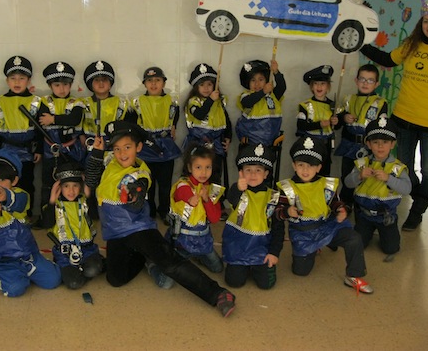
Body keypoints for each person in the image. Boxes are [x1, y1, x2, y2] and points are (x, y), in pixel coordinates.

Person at [84, 120, 237, 317]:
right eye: (117, 148)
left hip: (138, 229)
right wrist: (97, 153)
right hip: (115, 232)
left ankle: (218, 294)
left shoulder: (141, 173)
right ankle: (144, 256)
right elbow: (92, 180)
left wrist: (135, 195)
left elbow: (138, 195)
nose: (122, 153)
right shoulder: (110, 162)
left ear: (138, 147)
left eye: (128, 147)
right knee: (115, 280)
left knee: (170, 262)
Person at [360, 0, 428, 231]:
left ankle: (418, 210)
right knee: (404, 165)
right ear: (421, 23)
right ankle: (419, 196)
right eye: (426, 21)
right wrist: (360, 43)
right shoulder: (411, 44)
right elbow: (387, 59)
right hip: (404, 117)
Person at [275, 136, 373, 294]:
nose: (305, 170)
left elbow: (335, 202)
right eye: (301, 165)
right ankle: (314, 249)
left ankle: (354, 275)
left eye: (311, 166)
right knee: (301, 271)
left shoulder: (326, 184)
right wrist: (287, 212)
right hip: (303, 234)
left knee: (354, 238)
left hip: (327, 227)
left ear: (319, 167)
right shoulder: (287, 188)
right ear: (294, 165)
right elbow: (277, 213)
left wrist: (341, 210)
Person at [0, 149, 61, 297]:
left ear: (14, 181)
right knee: (15, 289)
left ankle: (26, 270)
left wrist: (6, 197)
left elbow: (19, 203)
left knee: (53, 279)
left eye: (1, 179)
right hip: (1, 258)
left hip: (27, 253)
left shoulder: (21, 194)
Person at [344, 116, 411, 259]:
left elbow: (407, 189)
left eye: (385, 142)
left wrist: (389, 179)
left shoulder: (397, 167)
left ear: (392, 144)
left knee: (391, 248)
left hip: (386, 215)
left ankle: (386, 233)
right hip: (363, 215)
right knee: (357, 244)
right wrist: (359, 176)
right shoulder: (361, 163)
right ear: (368, 144)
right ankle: (367, 231)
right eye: (375, 142)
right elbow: (347, 183)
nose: (380, 146)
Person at [222, 143, 285, 289]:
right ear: (241, 173)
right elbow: (231, 198)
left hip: (261, 248)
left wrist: (274, 253)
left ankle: (257, 267)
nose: (253, 174)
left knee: (266, 284)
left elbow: (278, 228)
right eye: (248, 170)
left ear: (266, 174)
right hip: (238, 248)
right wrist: (238, 188)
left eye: (258, 170)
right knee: (234, 282)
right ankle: (242, 267)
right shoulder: (238, 191)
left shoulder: (273, 197)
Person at [35, 61, 85, 229]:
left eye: (65, 84)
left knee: (72, 183)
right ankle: (47, 218)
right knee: (48, 185)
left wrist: (53, 119)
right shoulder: (43, 102)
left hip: (72, 151)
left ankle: (74, 217)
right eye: (57, 85)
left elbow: (75, 119)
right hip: (50, 151)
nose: (61, 89)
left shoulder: (77, 102)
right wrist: (38, 150)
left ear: (71, 85)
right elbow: (41, 124)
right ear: (50, 86)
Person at [0, 55, 42, 218]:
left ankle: (26, 214)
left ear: (28, 80)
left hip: (27, 152)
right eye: (13, 78)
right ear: (7, 81)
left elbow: (40, 129)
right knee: (4, 183)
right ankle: (5, 215)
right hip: (5, 151)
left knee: (26, 183)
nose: (17, 82)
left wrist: (39, 150)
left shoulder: (35, 101)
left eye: (22, 78)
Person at [131, 66, 182, 222]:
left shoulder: (172, 101)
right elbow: (132, 125)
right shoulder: (137, 102)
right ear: (144, 84)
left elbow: (175, 118)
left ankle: (164, 210)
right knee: (148, 183)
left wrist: (173, 127)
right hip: (146, 147)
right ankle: (149, 210)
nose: (153, 84)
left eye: (157, 80)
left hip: (165, 146)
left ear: (164, 83)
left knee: (165, 183)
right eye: (150, 80)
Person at [334, 64, 388, 208]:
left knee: (365, 176)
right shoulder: (348, 99)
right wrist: (344, 118)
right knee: (347, 175)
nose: (365, 83)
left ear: (376, 84)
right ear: (356, 81)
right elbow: (337, 123)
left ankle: (362, 205)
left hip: (368, 148)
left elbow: (381, 128)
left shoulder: (380, 103)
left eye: (370, 80)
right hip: (349, 145)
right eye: (362, 79)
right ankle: (345, 204)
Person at [81, 60, 128, 219]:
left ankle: (110, 212)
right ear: (90, 83)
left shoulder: (121, 103)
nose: (101, 83)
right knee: (91, 182)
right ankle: (93, 213)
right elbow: (79, 127)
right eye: (97, 80)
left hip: (114, 150)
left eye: (105, 80)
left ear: (110, 83)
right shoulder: (84, 103)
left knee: (112, 181)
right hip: (91, 150)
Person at [167, 144, 224, 273]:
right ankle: (152, 265)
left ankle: (198, 255)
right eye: (198, 167)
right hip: (183, 241)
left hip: (203, 240)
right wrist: (191, 199)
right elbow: (183, 193)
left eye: (208, 167)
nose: (203, 172)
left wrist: (206, 200)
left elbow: (215, 218)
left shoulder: (211, 190)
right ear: (189, 167)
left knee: (218, 268)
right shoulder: (183, 185)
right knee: (170, 276)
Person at [47, 161, 104, 289]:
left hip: (87, 249)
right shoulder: (55, 205)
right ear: (59, 187)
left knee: (92, 270)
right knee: (74, 283)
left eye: (75, 186)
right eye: (66, 186)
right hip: (65, 254)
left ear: (81, 186)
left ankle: (91, 264)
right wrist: (51, 200)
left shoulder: (84, 202)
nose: (71, 190)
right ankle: (73, 270)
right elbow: (46, 223)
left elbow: (95, 216)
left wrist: (89, 195)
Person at [184, 63, 232, 189]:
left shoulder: (219, 102)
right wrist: (210, 100)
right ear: (196, 87)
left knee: (215, 175)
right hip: (198, 145)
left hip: (216, 146)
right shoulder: (193, 101)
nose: (206, 88)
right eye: (202, 85)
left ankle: (214, 200)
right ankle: (196, 199)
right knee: (197, 175)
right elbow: (199, 114)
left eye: (209, 84)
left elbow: (226, 122)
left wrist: (228, 138)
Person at [296, 65, 338, 176]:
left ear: (328, 86)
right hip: (309, 146)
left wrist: (336, 122)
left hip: (326, 146)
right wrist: (319, 124)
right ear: (311, 86)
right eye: (316, 83)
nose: (319, 87)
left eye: (323, 83)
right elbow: (300, 125)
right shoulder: (304, 105)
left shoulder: (333, 106)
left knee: (324, 173)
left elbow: (338, 126)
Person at [235, 59, 286, 148]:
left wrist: (276, 72)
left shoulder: (273, 96)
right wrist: (263, 91)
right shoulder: (246, 96)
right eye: (253, 80)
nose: (257, 83)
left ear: (267, 81)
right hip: (250, 143)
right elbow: (248, 102)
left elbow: (282, 87)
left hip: (271, 144)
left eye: (261, 79)